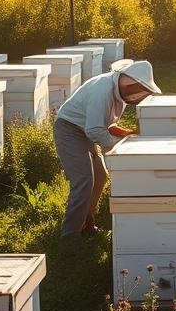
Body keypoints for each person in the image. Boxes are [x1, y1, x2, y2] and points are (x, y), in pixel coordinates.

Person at [53, 60, 162, 238]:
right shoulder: (102, 91)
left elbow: (108, 125)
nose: (137, 96)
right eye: (137, 90)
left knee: (100, 176)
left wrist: (128, 135)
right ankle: (70, 234)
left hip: (84, 129)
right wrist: (119, 146)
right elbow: (95, 130)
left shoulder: (117, 92)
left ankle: (87, 225)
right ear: (128, 82)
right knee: (84, 179)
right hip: (70, 129)